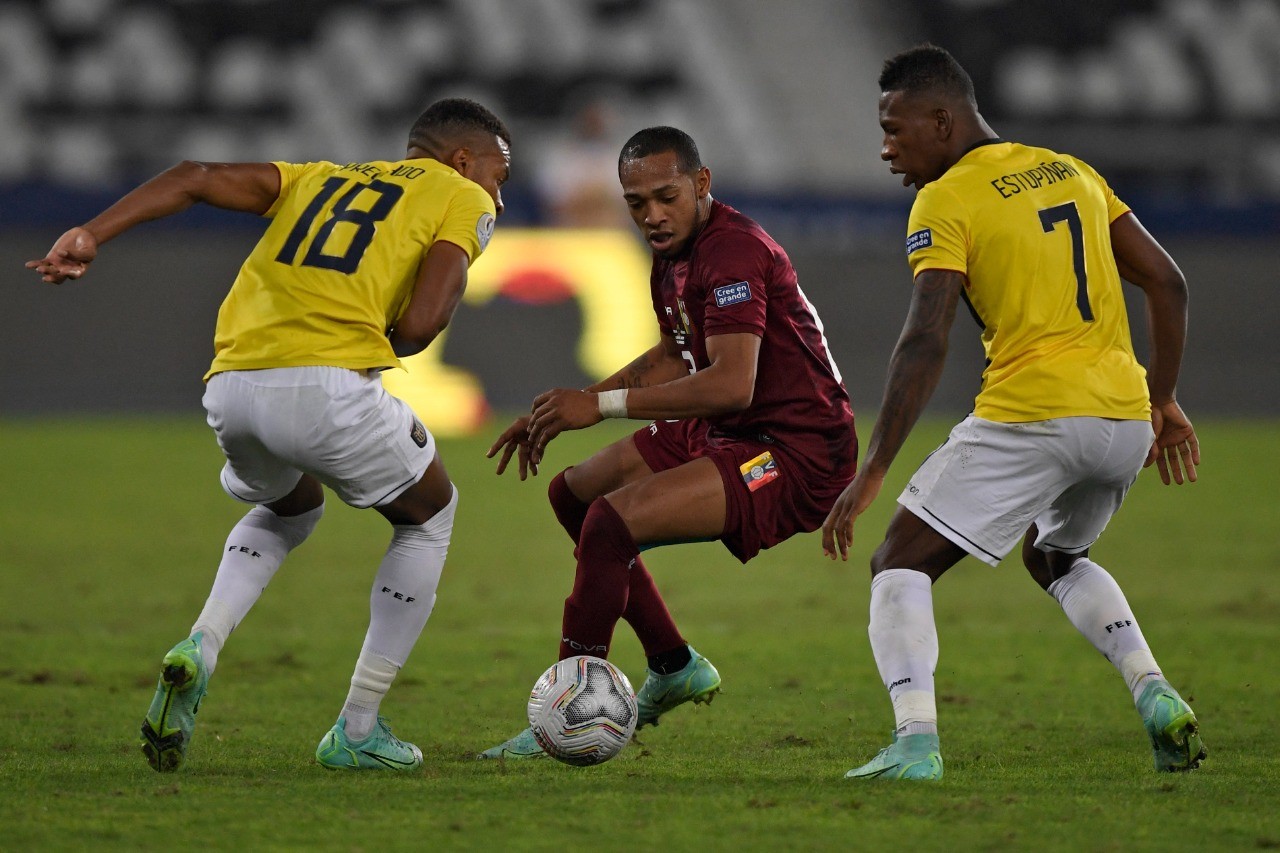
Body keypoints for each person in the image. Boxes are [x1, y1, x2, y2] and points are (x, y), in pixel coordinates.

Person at [26, 98, 512, 773]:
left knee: (293, 502)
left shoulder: (320, 176)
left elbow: (194, 174)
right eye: (499, 173)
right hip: (327, 383)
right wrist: (378, 339)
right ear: (464, 160)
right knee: (430, 513)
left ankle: (202, 642)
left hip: (230, 383)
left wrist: (91, 233)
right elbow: (426, 323)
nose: (500, 192)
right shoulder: (462, 196)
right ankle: (358, 727)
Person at [821, 44, 1206, 781]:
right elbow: (1168, 282)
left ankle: (914, 744)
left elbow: (925, 337)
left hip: (1034, 411)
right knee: (1055, 554)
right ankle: (1154, 690)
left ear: (943, 119)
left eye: (897, 130)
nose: (886, 149)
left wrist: (874, 469)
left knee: (897, 561)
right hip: (1123, 419)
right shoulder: (1072, 170)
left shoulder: (947, 197)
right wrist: (1160, 400)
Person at [478, 126, 857, 759]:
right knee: (574, 494)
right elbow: (678, 356)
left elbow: (732, 383)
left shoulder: (734, 252)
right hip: (732, 426)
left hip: (795, 448)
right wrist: (576, 404)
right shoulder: (675, 253)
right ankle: (673, 664)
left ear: (701, 184)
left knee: (609, 523)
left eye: (666, 196)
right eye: (636, 202)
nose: (651, 216)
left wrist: (600, 405)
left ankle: (570, 712)